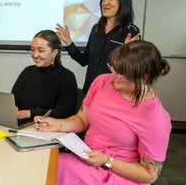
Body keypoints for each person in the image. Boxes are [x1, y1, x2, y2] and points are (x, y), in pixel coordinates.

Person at [35, 40, 171, 185]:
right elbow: (82, 120)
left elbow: (149, 175)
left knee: (50, 169)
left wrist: (108, 160)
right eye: (113, 68)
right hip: (87, 159)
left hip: (118, 174)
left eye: (121, 73)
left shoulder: (155, 117)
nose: (113, 76)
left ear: (144, 77)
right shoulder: (102, 82)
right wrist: (58, 124)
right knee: (43, 164)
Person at [56, 0, 141, 93]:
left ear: (123, 2)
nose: (105, 3)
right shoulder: (96, 29)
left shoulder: (131, 31)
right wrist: (68, 41)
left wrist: (125, 53)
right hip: (90, 91)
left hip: (112, 93)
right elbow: (84, 60)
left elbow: (133, 69)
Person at [12, 30, 77, 120]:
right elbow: (13, 98)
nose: (35, 55)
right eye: (32, 49)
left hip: (49, 128)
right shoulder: (27, 72)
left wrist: (31, 113)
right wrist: (13, 108)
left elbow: (64, 111)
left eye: (41, 51)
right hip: (22, 125)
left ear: (54, 53)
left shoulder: (67, 77)